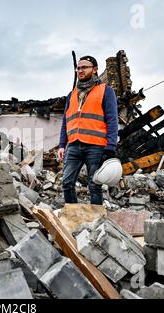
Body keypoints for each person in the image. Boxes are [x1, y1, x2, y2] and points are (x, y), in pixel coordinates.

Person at [58, 55, 118, 205]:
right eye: (78, 68)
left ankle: (96, 223)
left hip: (96, 146)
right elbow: (65, 121)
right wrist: (61, 144)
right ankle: (73, 217)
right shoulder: (71, 95)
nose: (80, 70)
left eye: (84, 67)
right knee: (66, 183)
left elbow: (112, 120)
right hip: (73, 145)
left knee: (94, 185)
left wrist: (110, 146)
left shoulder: (105, 91)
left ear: (95, 70)